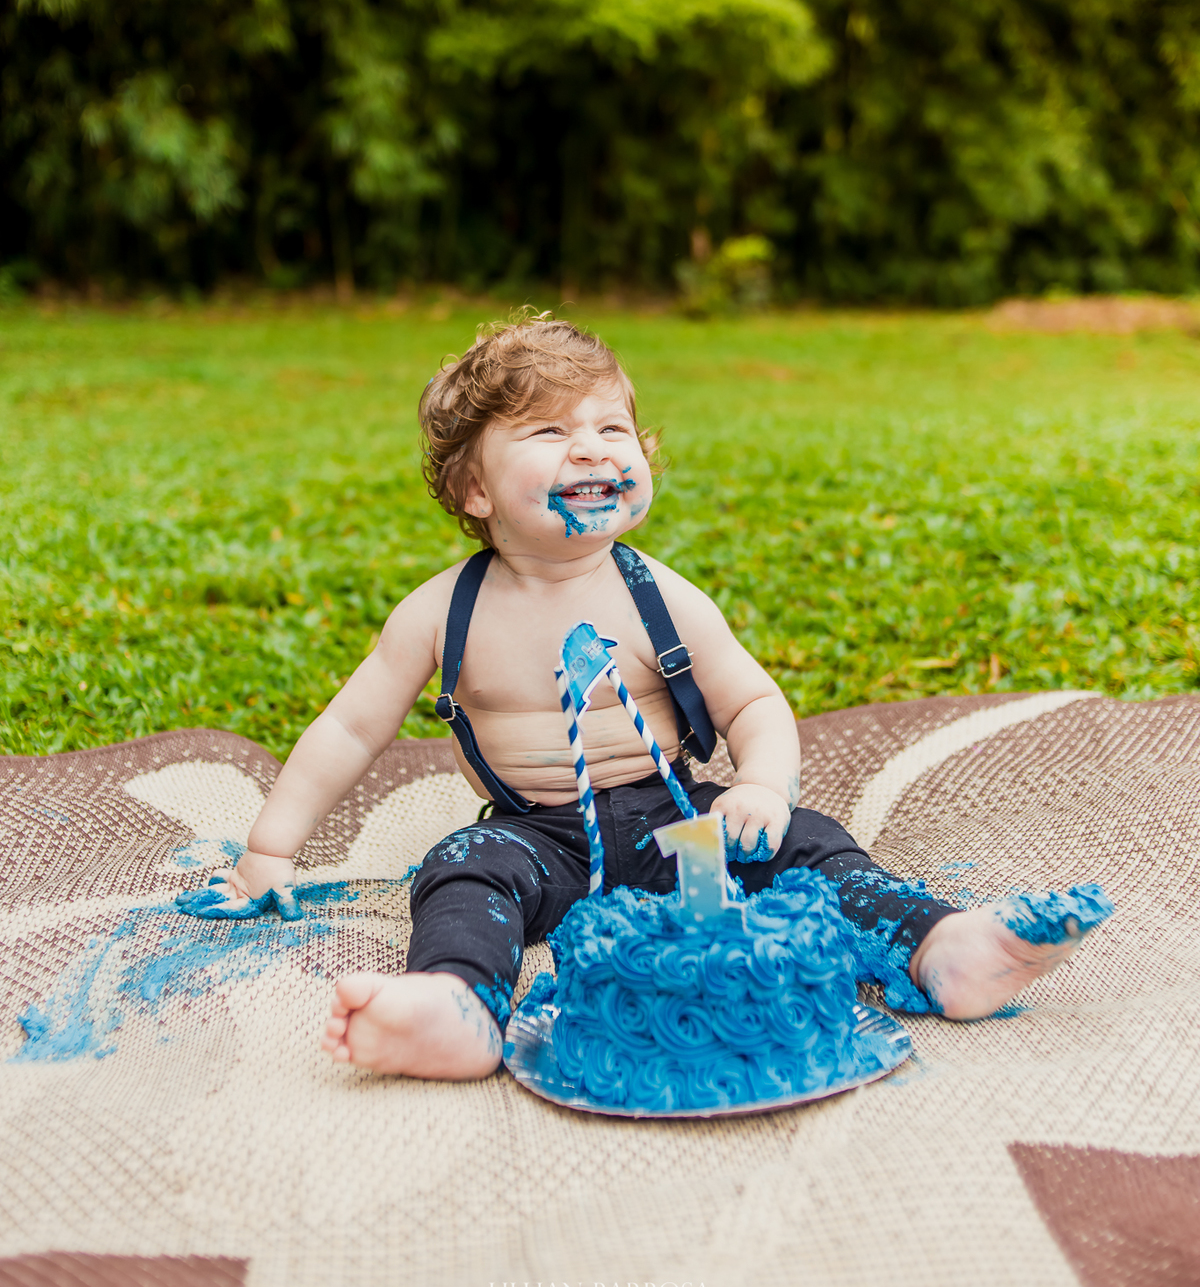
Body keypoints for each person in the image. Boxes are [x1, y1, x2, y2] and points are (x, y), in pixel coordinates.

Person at [180, 313, 1104, 1079]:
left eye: (611, 428)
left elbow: (754, 706)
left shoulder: (656, 595)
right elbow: (350, 727)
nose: (589, 448)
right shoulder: (441, 614)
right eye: (548, 433)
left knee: (810, 844)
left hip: (683, 821)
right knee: (459, 869)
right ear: (473, 488)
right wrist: (269, 849)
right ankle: (455, 1004)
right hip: (540, 837)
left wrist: (761, 790)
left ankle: (943, 950)